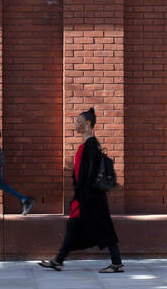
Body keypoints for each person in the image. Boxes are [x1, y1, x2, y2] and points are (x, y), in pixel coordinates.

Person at [38, 107, 124, 273]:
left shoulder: (91, 145)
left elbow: (89, 174)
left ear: (87, 124)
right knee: (77, 226)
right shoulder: (87, 144)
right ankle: (59, 260)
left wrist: (84, 194)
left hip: (90, 197)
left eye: (78, 122)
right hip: (86, 196)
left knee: (99, 227)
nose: (75, 125)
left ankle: (116, 262)